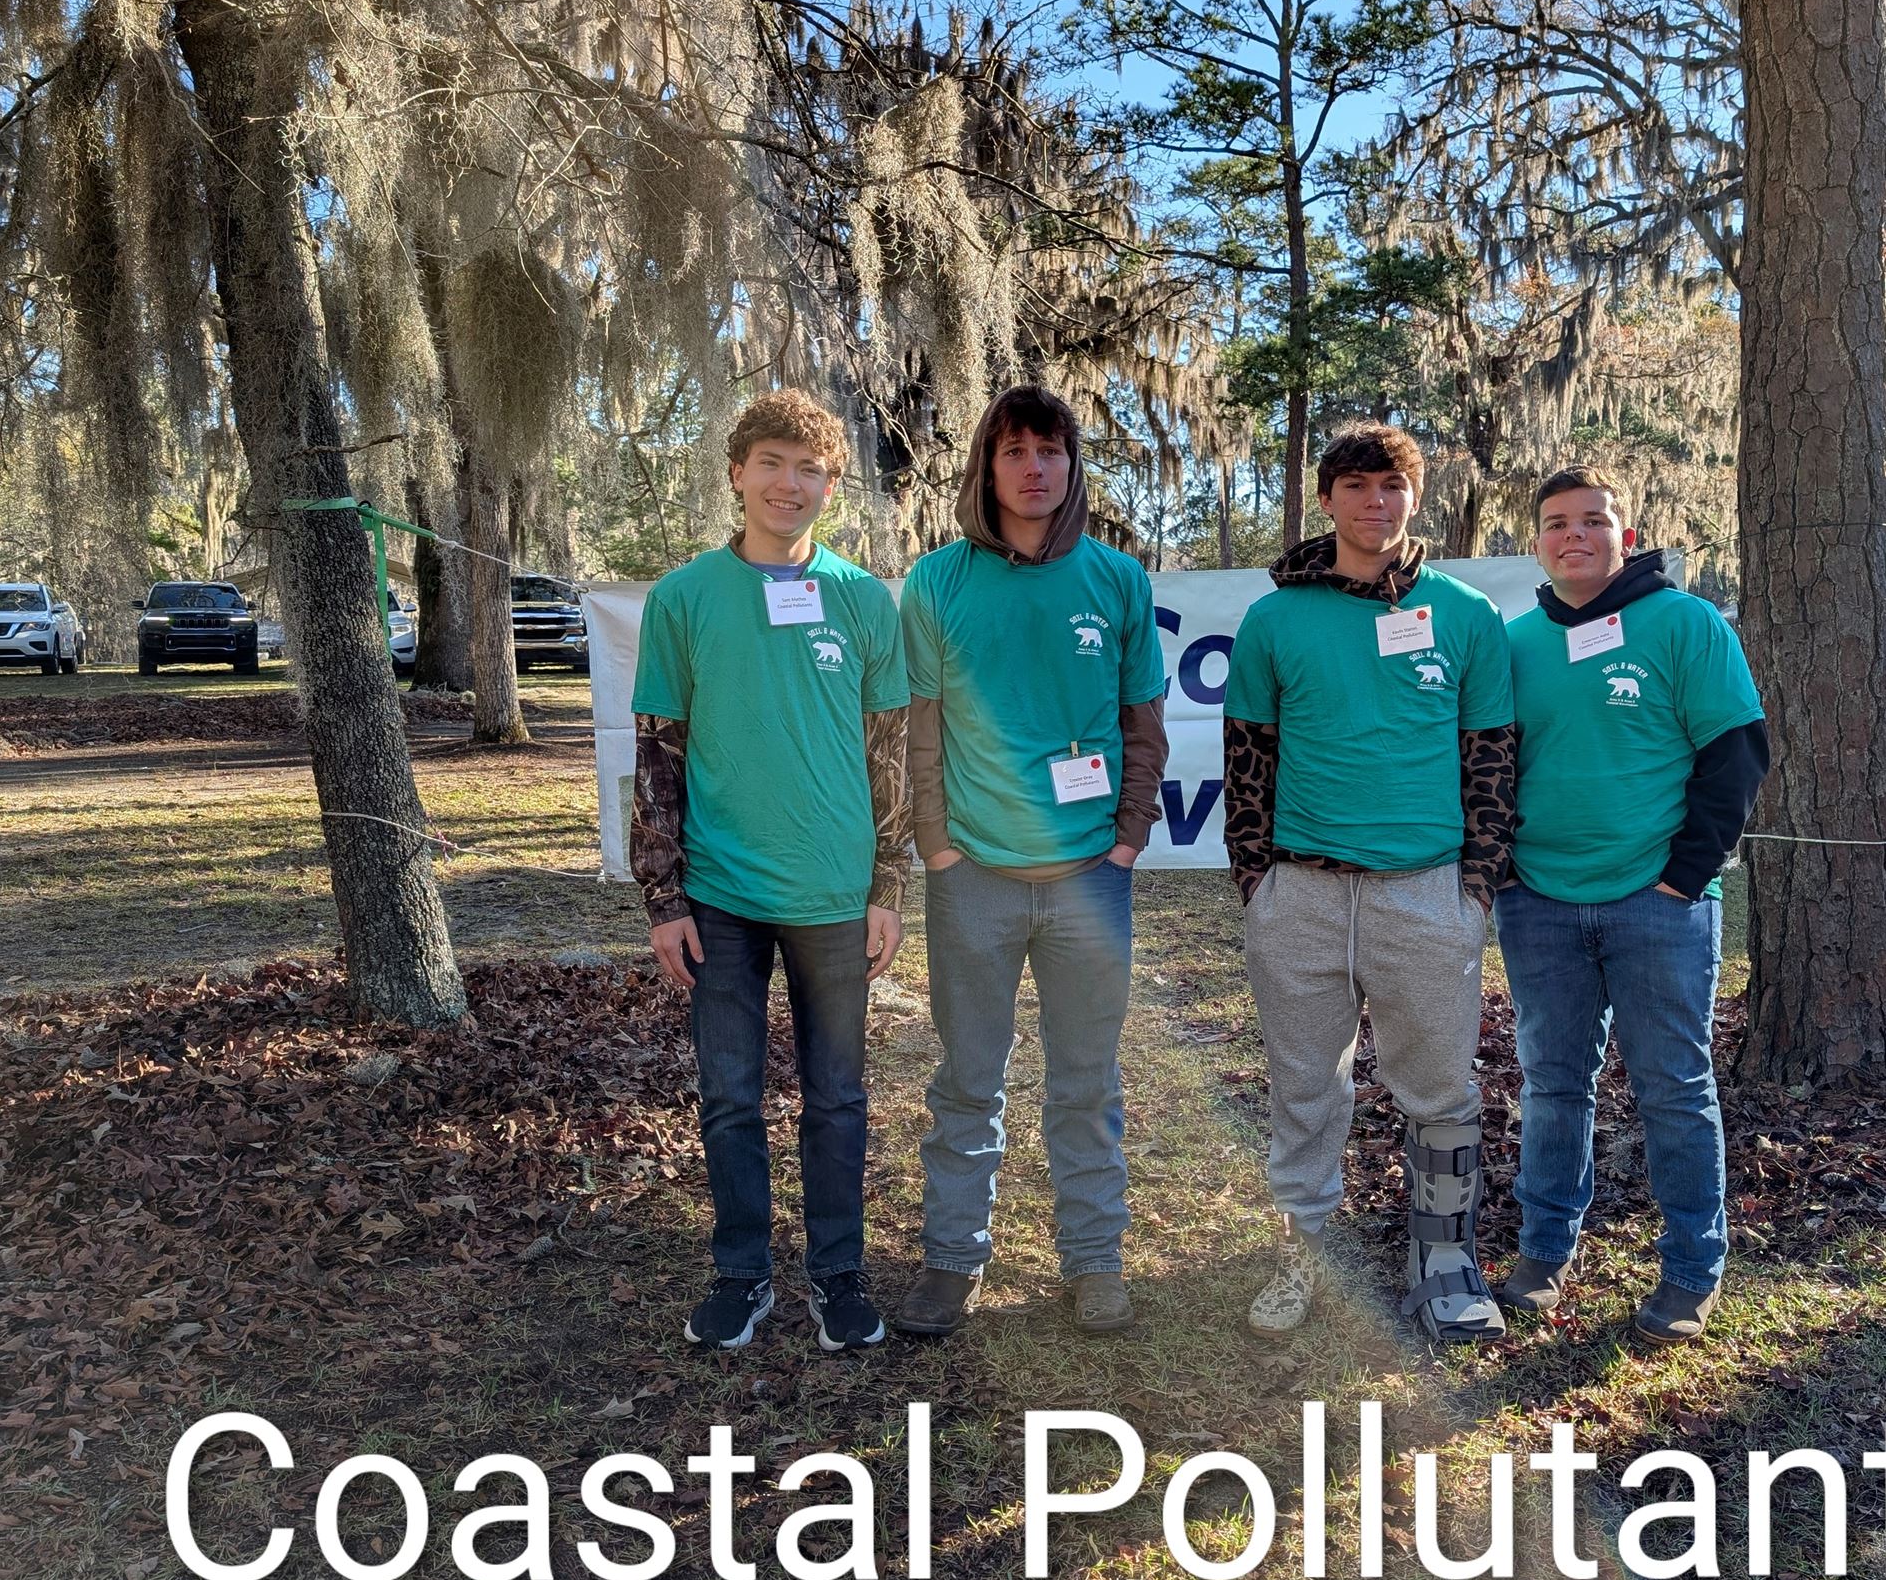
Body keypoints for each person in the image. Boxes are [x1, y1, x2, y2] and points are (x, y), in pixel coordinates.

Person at [1223, 424, 1518, 1344]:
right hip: (1302, 898)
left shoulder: (1464, 614)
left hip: (1426, 895)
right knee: (1305, 1084)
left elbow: (1492, 758)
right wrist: (1256, 879)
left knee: (1438, 1087)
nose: (1374, 502)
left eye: (1392, 485)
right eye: (1355, 485)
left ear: (1414, 497)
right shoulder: (1276, 618)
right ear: (1328, 500)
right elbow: (1248, 757)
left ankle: (1445, 1261)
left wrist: (1476, 883)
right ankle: (1300, 1254)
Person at [630, 390, 910, 1354]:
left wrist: (887, 888)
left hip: (835, 895)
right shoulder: (683, 598)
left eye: (812, 469)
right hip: (721, 895)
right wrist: (664, 897)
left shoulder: (866, 600)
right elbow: (658, 750)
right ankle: (741, 1273)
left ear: (830, 485)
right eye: (774, 464)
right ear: (738, 472)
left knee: (838, 1095)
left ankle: (838, 1274)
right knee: (730, 1094)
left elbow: (890, 753)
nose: (791, 485)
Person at [894, 384, 1168, 1337]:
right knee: (968, 1077)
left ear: (1071, 463)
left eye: (1050, 450)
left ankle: (1093, 1259)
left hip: (1091, 876)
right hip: (974, 880)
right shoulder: (937, 583)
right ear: (988, 464)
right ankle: (951, 1259)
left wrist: (1128, 837)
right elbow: (920, 731)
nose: (1034, 468)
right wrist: (937, 844)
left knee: (1086, 1081)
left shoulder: (1118, 581)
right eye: (1014, 451)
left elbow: (1143, 725)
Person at [1495, 468, 1768, 1347]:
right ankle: (1543, 1253)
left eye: (1592, 520)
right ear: (1537, 540)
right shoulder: (1516, 641)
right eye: (1555, 523)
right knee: (1553, 1086)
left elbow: (1736, 753)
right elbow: (1491, 766)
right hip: (1538, 903)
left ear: (1626, 531)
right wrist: (1505, 870)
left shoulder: (1683, 622)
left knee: (1675, 1091)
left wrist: (1685, 876)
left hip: (1659, 904)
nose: (1573, 535)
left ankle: (1692, 1268)